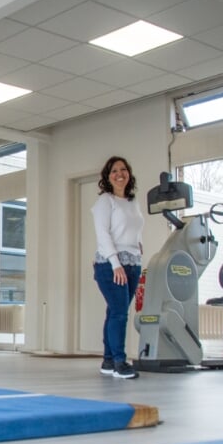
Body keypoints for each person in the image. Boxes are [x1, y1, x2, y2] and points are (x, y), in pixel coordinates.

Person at [91, 156, 144, 380]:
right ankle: (120, 362)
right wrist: (115, 263)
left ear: (129, 174)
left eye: (123, 170)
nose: (119, 174)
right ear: (108, 176)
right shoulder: (105, 201)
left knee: (115, 312)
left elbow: (134, 228)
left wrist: (139, 247)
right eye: (114, 171)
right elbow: (103, 234)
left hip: (132, 263)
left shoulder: (133, 201)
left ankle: (108, 361)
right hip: (111, 265)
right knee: (120, 314)